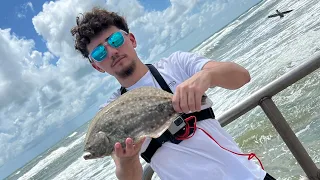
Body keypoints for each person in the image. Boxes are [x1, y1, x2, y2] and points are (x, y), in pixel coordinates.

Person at [71, 7, 276, 180]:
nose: (111, 51)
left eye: (115, 40)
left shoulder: (176, 65)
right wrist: (128, 159)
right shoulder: (109, 111)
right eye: (99, 52)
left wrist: (207, 76)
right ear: (97, 66)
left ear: (131, 39)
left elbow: (242, 77)